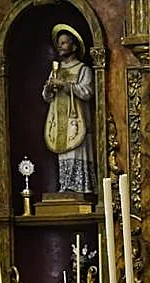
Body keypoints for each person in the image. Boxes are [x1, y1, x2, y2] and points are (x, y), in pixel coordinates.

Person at [42, 25, 95, 193]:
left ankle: (81, 188)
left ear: (74, 46)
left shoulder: (83, 69)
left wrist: (65, 85)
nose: (60, 46)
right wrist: (48, 89)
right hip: (60, 122)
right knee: (63, 155)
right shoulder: (55, 71)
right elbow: (47, 97)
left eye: (64, 43)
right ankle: (65, 186)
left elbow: (87, 92)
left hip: (76, 121)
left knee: (77, 152)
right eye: (59, 43)